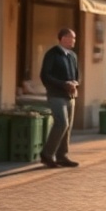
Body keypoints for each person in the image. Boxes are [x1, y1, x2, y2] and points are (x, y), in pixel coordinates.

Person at [39, 27, 80, 168]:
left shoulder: (73, 55)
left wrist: (75, 83)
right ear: (63, 38)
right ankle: (47, 154)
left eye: (74, 38)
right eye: (72, 37)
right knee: (61, 123)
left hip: (70, 95)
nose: (74, 40)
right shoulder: (52, 54)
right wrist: (63, 84)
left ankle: (62, 156)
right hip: (56, 95)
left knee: (68, 127)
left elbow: (75, 74)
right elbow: (45, 75)